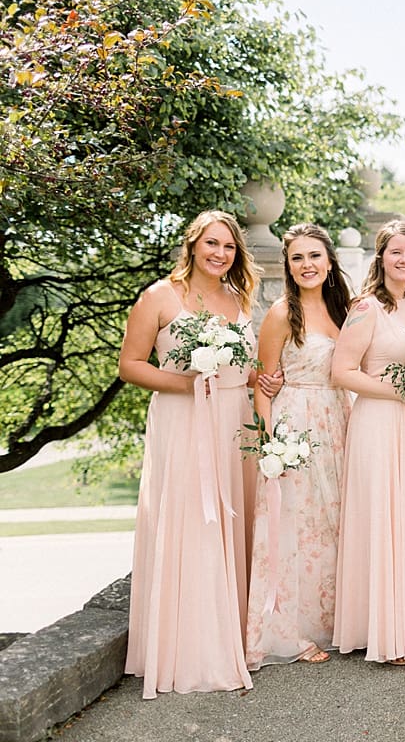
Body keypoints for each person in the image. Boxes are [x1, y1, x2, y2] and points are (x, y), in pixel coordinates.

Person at [118, 210, 260, 698]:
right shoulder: (160, 296)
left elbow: (250, 364)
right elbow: (130, 366)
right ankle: (190, 648)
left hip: (235, 420)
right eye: (212, 244)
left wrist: (265, 379)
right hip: (183, 421)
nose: (220, 254)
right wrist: (187, 383)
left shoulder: (239, 299)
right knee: (191, 523)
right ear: (193, 244)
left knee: (231, 521)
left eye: (228, 247)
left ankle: (234, 638)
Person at [331, 219, 405, 664]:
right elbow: (343, 371)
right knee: (388, 519)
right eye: (396, 252)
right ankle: (386, 633)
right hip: (379, 423)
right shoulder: (367, 308)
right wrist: (397, 391)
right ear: (381, 259)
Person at [245, 224, 352, 668]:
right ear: (288, 266)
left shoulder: (344, 310)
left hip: (339, 422)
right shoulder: (280, 313)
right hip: (296, 425)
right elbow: (261, 384)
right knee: (296, 526)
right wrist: (270, 448)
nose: (306, 265)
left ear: (329, 262)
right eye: (297, 258)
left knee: (334, 523)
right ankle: (292, 632)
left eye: (314, 256)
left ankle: (339, 621)